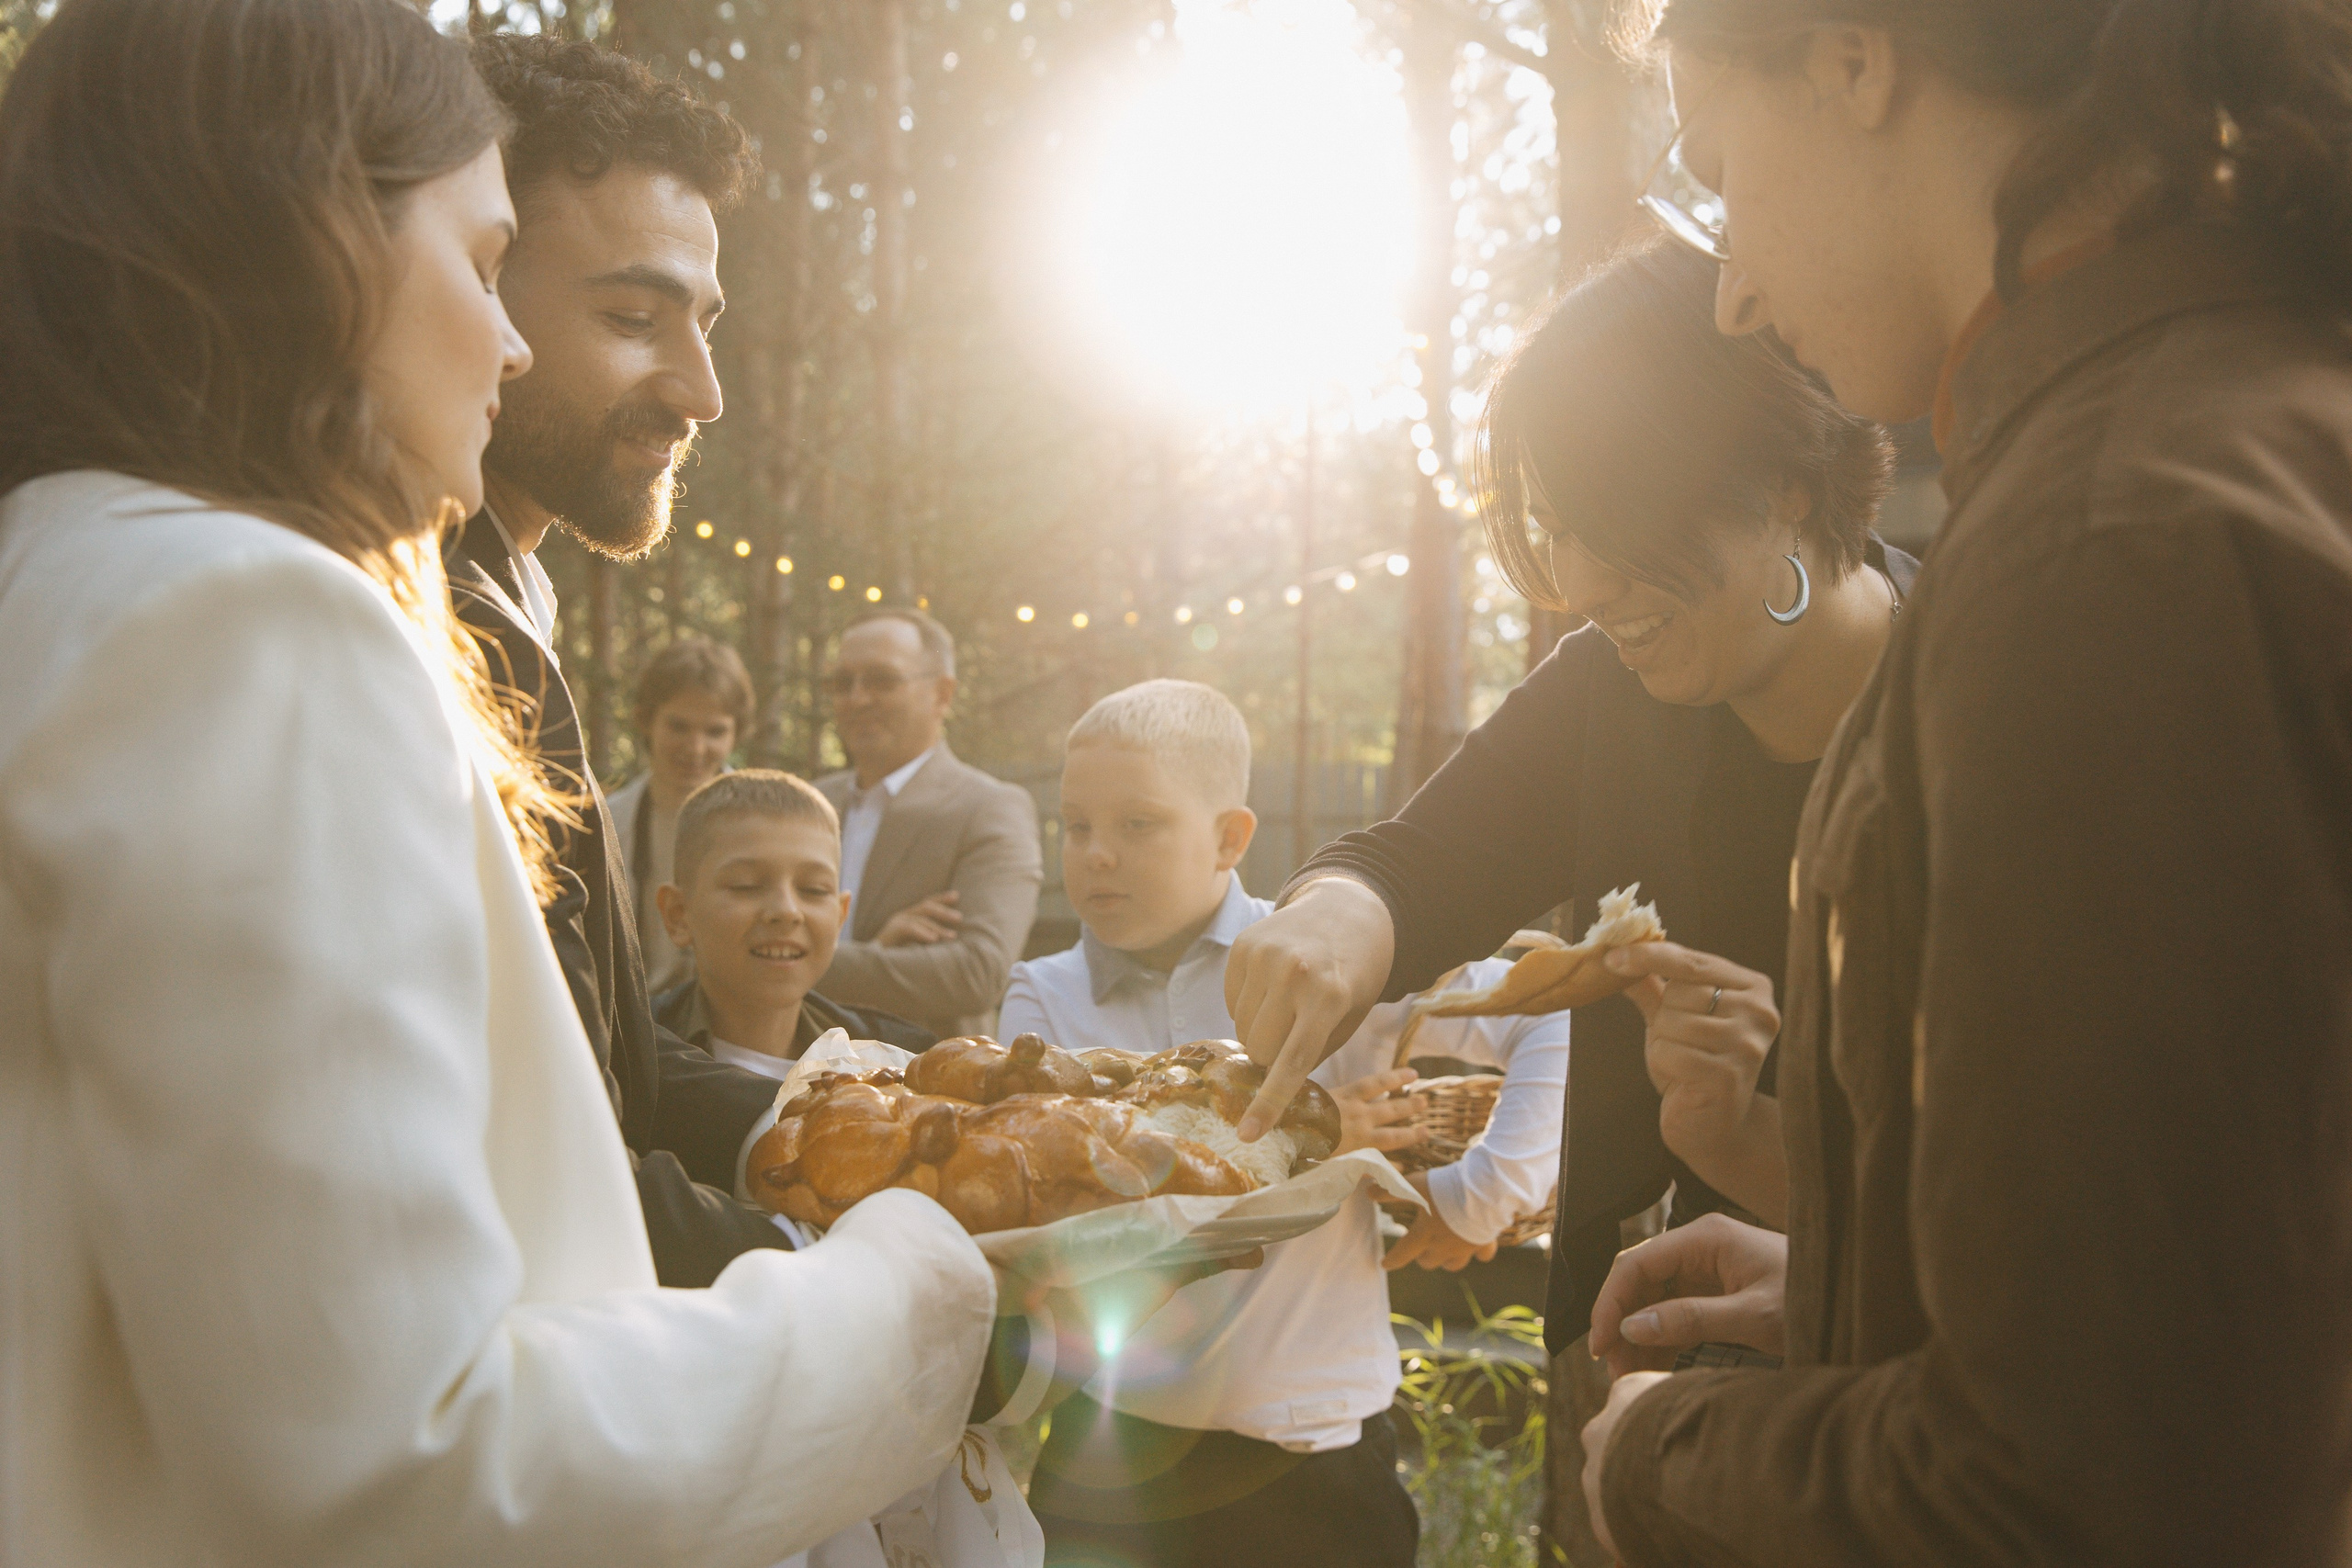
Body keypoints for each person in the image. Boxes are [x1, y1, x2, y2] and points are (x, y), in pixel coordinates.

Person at [0, 2, 1041, 1559]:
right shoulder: (251, 624)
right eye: (487, 268)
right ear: (309, 236)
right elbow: (398, 1463)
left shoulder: (69, 567)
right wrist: (911, 1291)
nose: (504, 339)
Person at [1561, 3, 2352, 1563]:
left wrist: (1668, 1449)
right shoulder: (2247, 430)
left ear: (1855, 56)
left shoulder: (2107, 553)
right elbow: (2230, 1282)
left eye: (1722, 170)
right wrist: (1860, 1288)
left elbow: (2097, 1486)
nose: (1730, 294)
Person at [1223, 238, 1902, 1355]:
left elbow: (2013, 1209)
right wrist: (1333, 916)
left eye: (1620, 522)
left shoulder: (1978, 706)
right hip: (1663, 1347)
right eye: (1558, 528)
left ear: (1784, 480)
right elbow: (1414, 867)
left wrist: (1740, 1139)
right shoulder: (1610, 692)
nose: (1581, 587)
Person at [1005, 680, 1565, 1568]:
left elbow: (1552, 1010)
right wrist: (1315, 1140)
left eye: (1137, 824)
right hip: (1109, 1454)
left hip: (1318, 1465)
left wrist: (1478, 1196)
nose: (1096, 854)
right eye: (1074, 826)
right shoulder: (1041, 1000)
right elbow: (1069, 1212)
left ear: (1230, 838)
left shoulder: (1329, 955)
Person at [450, 31, 795, 1288]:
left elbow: (607, 1066)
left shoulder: (512, 584)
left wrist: (851, 1121)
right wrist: (913, 1285)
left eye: (703, 321)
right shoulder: (406, 618)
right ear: (468, 282)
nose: (703, 391)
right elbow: (524, 1147)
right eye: (632, 316)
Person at [815, 607, 1043, 1039]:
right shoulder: (809, 802)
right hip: (790, 1073)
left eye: (881, 680)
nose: (857, 698)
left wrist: (799, 962)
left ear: (942, 694)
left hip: (925, 1087)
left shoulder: (988, 808)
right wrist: (876, 956)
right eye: (842, 683)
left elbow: (976, 973)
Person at [653, 769, 935, 1087]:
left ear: (840, 916)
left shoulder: (903, 1066)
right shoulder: (629, 1059)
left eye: (814, 889)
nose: (787, 911)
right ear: (678, 914)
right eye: (746, 886)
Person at [612, 634, 756, 993]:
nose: (695, 748)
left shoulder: (762, 824)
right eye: (679, 726)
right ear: (645, 721)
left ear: (736, 735)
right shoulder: (609, 823)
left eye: (715, 731)